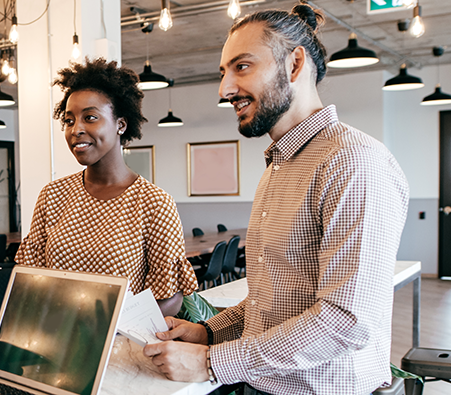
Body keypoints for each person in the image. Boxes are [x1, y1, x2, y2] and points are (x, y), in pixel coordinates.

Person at [143, 4, 409, 395]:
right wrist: (206, 333)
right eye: (223, 73)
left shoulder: (352, 161)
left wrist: (211, 363)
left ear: (294, 64)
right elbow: (274, 302)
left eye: (242, 67)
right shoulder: (278, 166)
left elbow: (346, 320)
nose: (225, 89)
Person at [14, 58, 198, 317]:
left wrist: (106, 333)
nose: (76, 129)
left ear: (121, 125)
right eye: (68, 121)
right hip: (57, 340)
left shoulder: (154, 202)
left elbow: (168, 298)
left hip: (122, 345)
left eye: (90, 118)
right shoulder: (53, 196)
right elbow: (30, 278)